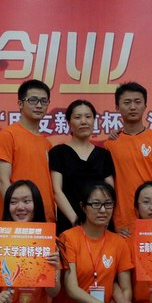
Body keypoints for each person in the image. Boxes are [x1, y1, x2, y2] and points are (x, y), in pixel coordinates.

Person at [50, 182, 135, 303]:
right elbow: (72, 289)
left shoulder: (119, 242)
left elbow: (126, 289)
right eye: (96, 204)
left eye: (108, 204)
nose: (103, 210)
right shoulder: (68, 238)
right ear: (83, 207)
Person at [105, 82, 152, 236]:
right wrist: (110, 220)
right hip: (123, 224)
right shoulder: (110, 145)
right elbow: (107, 187)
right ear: (117, 107)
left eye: (137, 102)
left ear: (145, 105)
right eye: (127, 102)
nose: (133, 107)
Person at [0, 79, 56, 222]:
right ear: (20, 104)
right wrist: (16, 211)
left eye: (44, 101)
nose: (39, 105)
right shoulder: (8, 134)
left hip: (45, 218)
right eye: (33, 100)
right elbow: (3, 180)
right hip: (19, 218)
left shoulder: (47, 143)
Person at [50, 99, 115, 235]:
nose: (84, 121)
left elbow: (110, 191)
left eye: (88, 117)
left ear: (94, 121)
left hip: (100, 225)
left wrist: (104, 217)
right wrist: (76, 220)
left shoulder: (104, 154)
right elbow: (57, 190)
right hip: (69, 225)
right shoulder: (58, 152)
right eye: (78, 117)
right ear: (69, 122)